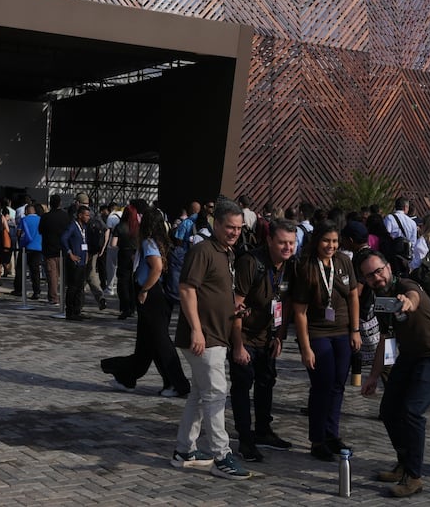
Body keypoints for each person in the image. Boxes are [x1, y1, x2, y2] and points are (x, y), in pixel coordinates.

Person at [356, 248, 430, 498]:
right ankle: (403, 463)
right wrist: (374, 376)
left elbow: (413, 296)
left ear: (388, 267)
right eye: (369, 276)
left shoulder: (406, 284)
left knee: (412, 411)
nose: (376, 277)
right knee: (388, 410)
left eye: (378, 271)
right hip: (409, 356)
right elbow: (385, 339)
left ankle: (414, 477)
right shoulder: (380, 299)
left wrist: (409, 302)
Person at [171, 198, 252, 479]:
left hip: (217, 333)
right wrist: (196, 329)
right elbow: (186, 289)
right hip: (204, 337)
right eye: (229, 227)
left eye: (239, 228)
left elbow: (212, 292)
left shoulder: (226, 253)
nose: (234, 232)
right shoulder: (203, 250)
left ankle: (185, 449)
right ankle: (221, 455)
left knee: (201, 393)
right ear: (216, 223)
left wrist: (232, 307)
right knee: (216, 393)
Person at [291, 220, 361, 461]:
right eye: (325, 241)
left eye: (334, 241)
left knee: (338, 385)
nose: (330, 246)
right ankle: (317, 439)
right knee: (322, 384)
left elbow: (353, 296)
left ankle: (332, 434)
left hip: (342, 331)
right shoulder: (306, 266)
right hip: (317, 332)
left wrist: (355, 329)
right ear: (316, 241)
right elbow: (299, 311)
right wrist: (306, 347)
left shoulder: (343, 261)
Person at [231, 218, 299, 462]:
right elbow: (236, 305)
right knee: (242, 384)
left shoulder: (289, 265)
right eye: (282, 242)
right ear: (269, 240)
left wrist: (279, 335)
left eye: (291, 243)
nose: (287, 248)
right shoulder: (251, 263)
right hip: (245, 336)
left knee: (266, 382)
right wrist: (237, 346)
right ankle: (245, 439)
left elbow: (285, 302)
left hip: (268, 336)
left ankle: (263, 431)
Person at [101, 208, 190, 396]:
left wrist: (144, 290)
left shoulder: (149, 242)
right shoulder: (164, 241)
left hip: (151, 295)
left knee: (159, 340)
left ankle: (177, 383)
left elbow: (156, 268)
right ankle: (128, 377)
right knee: (146, 342)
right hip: (160, 296)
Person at [61, 203, 91, 320]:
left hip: (83, 260)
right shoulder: (72, 226)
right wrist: (70, 253)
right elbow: (63, 238)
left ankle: (77, 310)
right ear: (80, 215)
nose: (88, 217)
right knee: (73, 287)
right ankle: (70, 311)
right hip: (75, 261)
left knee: (80, 287)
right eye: (86, 215)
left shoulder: (84, 227)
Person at [40, 195, 69, 305]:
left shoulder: (45, 217)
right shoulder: (66, 216)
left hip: (49, 248)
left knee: (52, 275)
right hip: (63, 249)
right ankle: (65, 297)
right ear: (60, 203)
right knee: (64, 275)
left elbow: (41, 230)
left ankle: (53, 297)